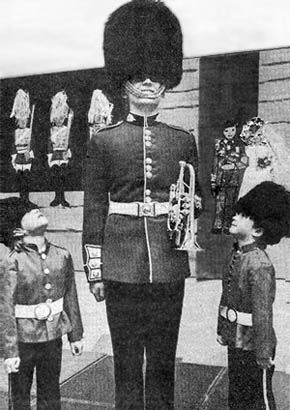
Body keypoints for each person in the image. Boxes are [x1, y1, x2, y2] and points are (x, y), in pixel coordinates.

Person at [82, 1, 202, 409]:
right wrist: (95, 269)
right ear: (124, 80)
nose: (149, 81)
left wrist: (190, 205)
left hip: (169, 260)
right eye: (138, 74)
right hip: (120, 261)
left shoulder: (182, 139)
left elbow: (194, 201)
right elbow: (95, 207)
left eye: (156, 74)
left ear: (167, 81)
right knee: (127, 360)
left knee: (164, 360)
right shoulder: (104, 141)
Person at [2, 197, 84, 410]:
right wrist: (9, 352)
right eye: (28, 211)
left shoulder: (62, 255)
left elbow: (70, 297)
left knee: (51, 391)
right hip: (22, 339)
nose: (37, 210)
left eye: (36, 207)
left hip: (53, 336)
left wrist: (75, 335)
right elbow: (6, 308)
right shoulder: (11, 260)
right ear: (16, 228)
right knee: (20, 395)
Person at [216, 181, 290, 410]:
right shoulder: (237, 254)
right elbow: (226, 296)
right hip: (236, 338)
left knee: (259, 398)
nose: (234, 217)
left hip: (255, 342)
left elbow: (263, 313)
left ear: (258, 230)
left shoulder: (259, 264)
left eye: (243, 214)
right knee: (238, 393)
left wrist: (264, 351)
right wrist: (222, 329)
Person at [211, 119, 248, 234]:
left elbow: (245, 161)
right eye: (226, 131)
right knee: (220, 203)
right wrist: (213, 181)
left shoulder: (240, 145)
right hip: (221, 179)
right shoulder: (219, 144)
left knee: (231, 204)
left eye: (232, 130)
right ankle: (217, 225)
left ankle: (227, 226)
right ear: (222, 132)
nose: (230, 133)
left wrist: (233, 165)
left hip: (234, 179)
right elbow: (215, 163)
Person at [48, 90, 73, 207]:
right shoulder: (52, 130)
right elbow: (49, 143)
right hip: (54, 155)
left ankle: (63, 198)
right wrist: (49, 155)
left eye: (61, 118)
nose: (59, 120)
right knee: (55, 177)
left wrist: (68, 153)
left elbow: (70, 142)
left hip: (63, 154)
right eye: (57, 118)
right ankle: (56, 197)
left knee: (63, 177)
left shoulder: (66, 129)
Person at [10, 89, 36, 204]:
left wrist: (30, 153)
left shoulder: (29, 131)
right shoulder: (15, 132)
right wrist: (14, 157)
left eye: (25, 120)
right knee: (20, 180)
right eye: (21, 121)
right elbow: (12, 146)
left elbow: (33, 143)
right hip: (18, 157)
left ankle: (27, 199)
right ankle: (21, 199)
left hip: (26, 157)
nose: (23, 122)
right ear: (17, 121)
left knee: (27, 180)